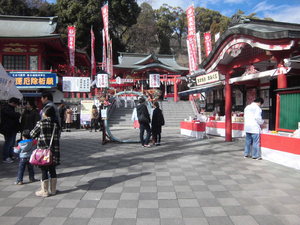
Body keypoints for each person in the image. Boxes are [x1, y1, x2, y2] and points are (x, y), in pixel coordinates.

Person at [30, 106, 60, 197]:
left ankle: (45, 191)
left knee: (44, 170)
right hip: (53, 150)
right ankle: (53, 190)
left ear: (45, 113)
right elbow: (58, 136)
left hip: (43, 152)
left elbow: (32, 134)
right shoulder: (56, 124)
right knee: (52, 169)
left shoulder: (41, 123)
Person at [0, 97, 21, 163]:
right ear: (13, 103)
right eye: (16, 104)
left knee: (11, 143)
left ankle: (10, 155)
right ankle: (5, 157)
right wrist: (18, 114)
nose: (17, 106)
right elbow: (13, 115)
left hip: (12, 128)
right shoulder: (6, 108)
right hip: (8, 129)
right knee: (8, 143)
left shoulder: (10, 108)